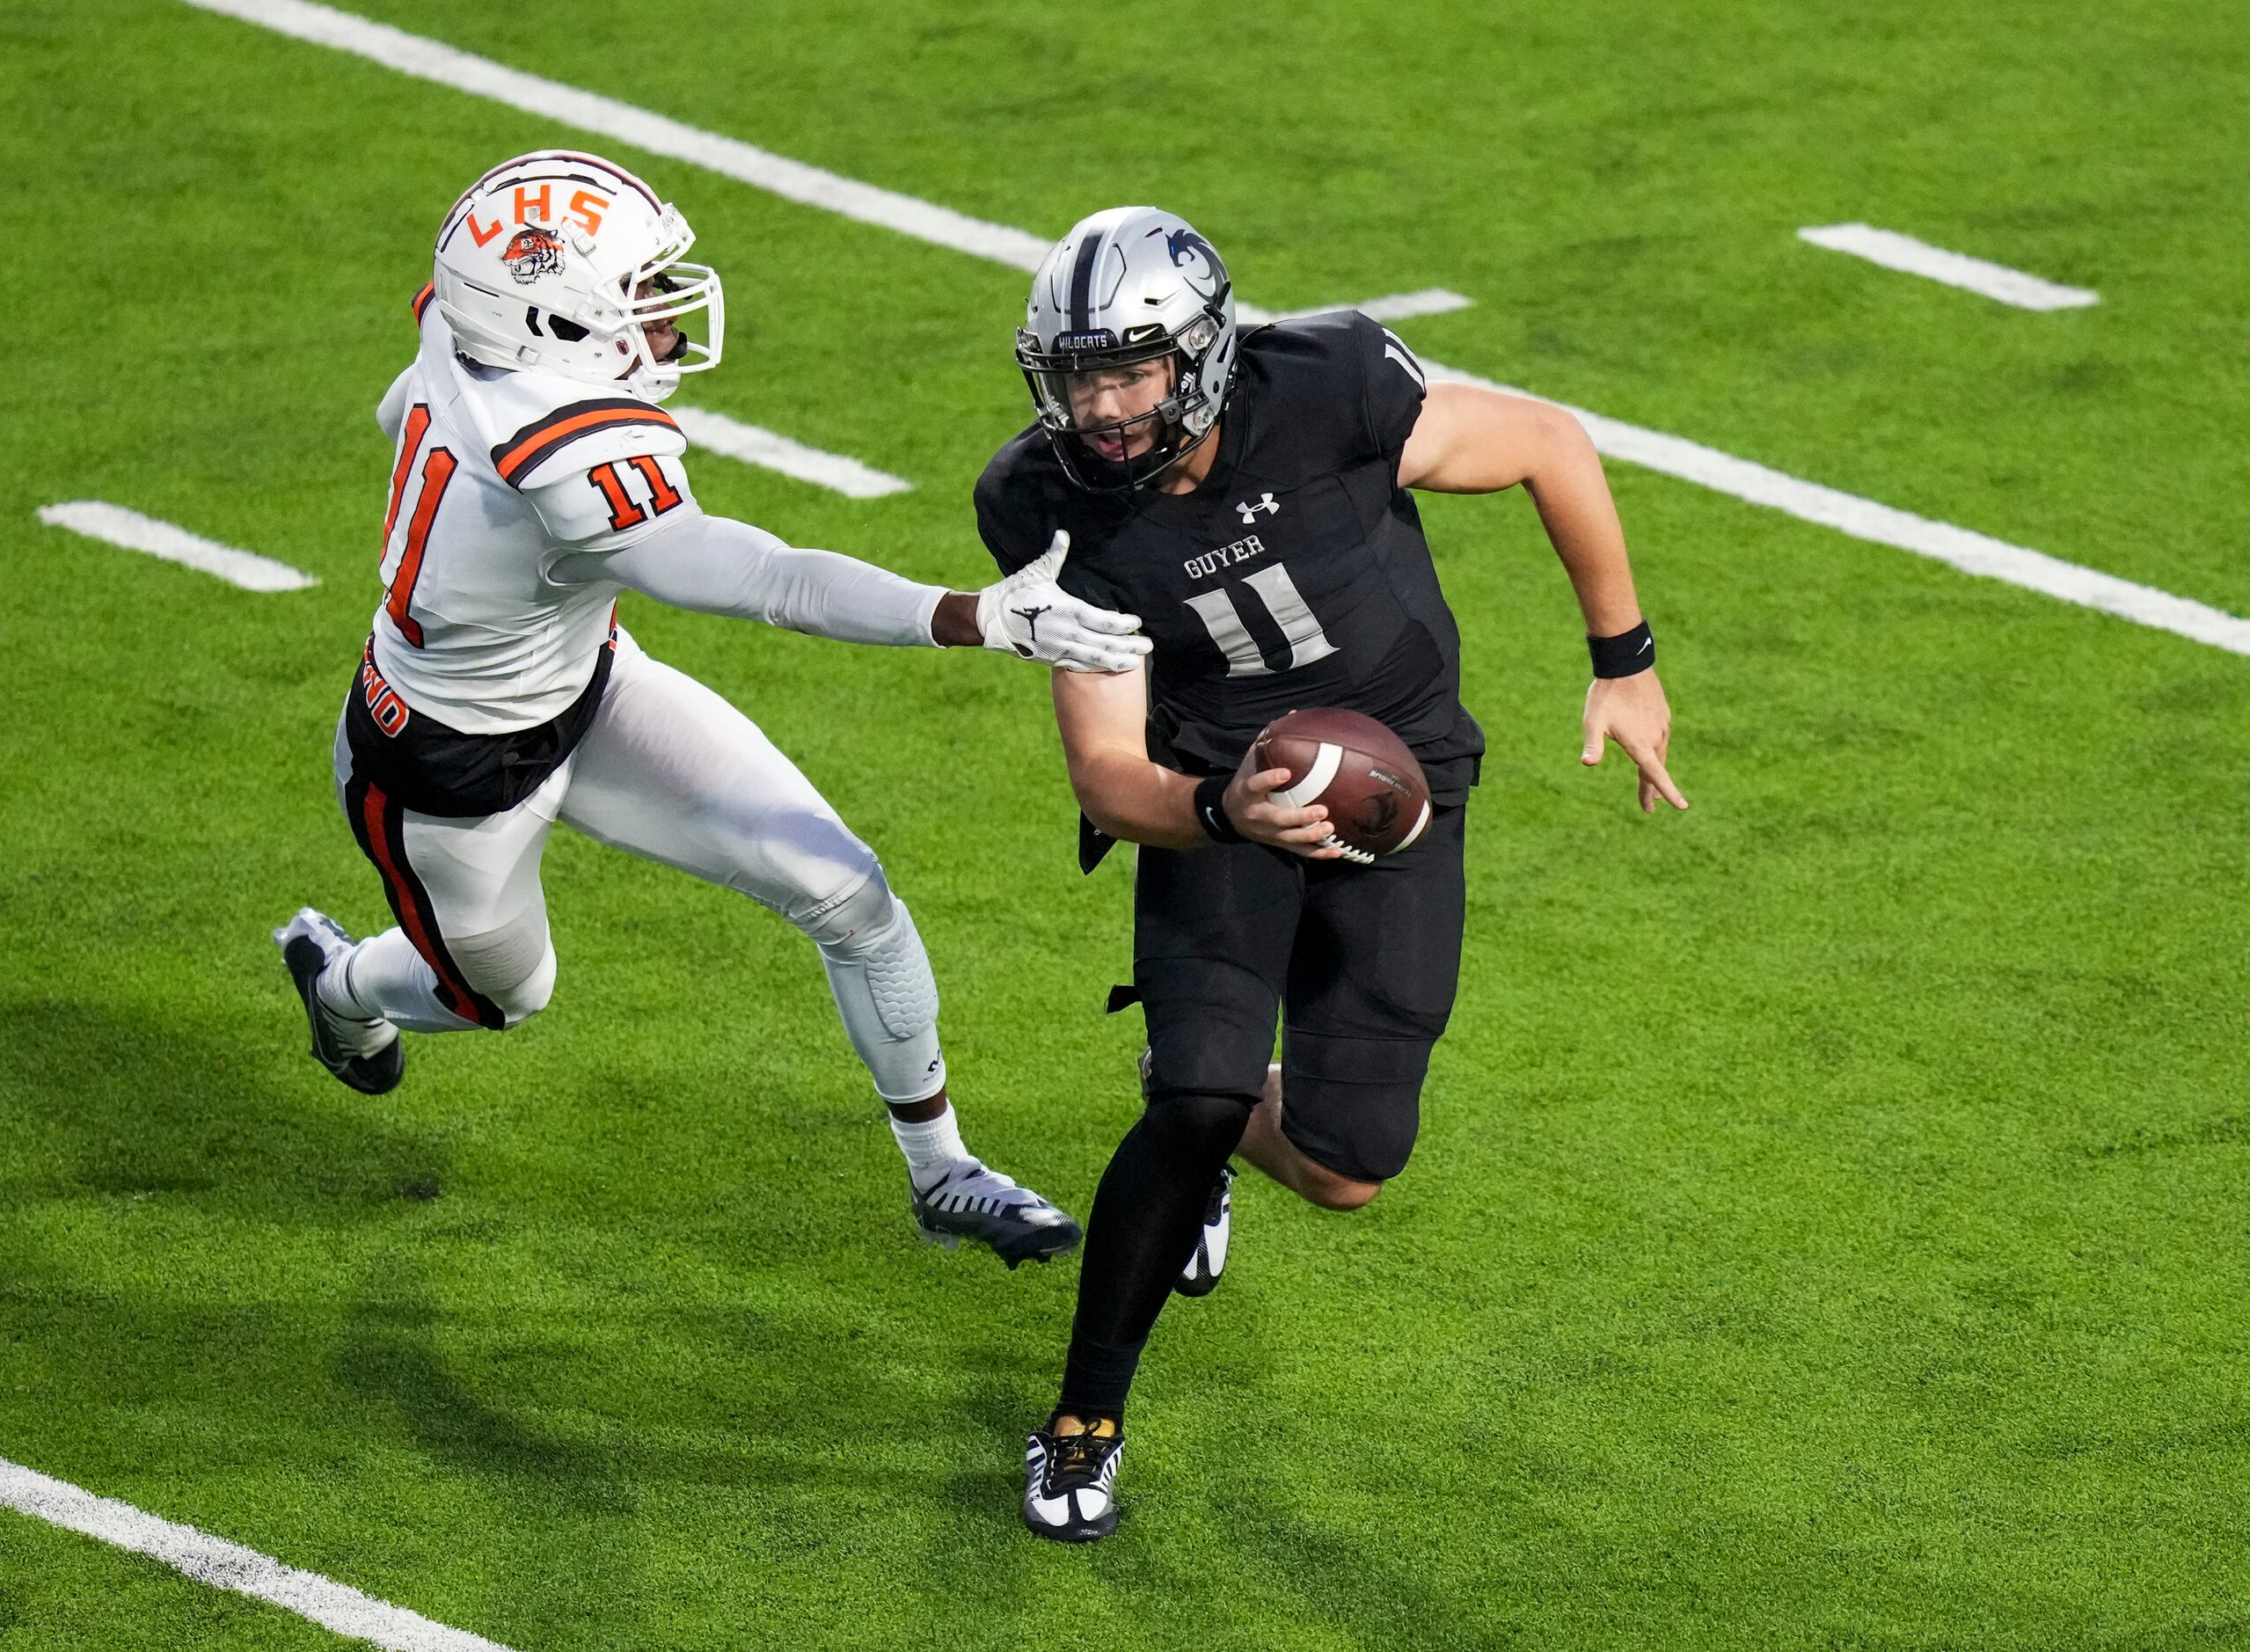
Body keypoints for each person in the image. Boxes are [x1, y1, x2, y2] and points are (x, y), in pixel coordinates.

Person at [275, 150, 1152, 1268]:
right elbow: (767, 580)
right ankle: (344, 983)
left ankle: (943, 1172)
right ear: (545, 321)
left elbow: (413, 383)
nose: (663, 317)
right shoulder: (557, 448)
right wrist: (972, 616)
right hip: (448, 766)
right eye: (634, 297)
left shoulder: (467, 326)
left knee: (847, 891)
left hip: (585, 685)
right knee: (503, 994)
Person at [972, 206, 1687, 1538]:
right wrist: (1226, 808)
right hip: (1215, 792)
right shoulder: (1038, 500)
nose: (1100, 405)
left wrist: (1624, 659)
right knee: (1194, 1096)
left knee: (1352, 1162)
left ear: (1200, 357)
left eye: (1128, 371)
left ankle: (1237, 1120)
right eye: (1076, 375)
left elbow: (1548, 442)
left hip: (1400, 786)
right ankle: (1082, 1420)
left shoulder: (1329, 386)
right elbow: (1106, 777)